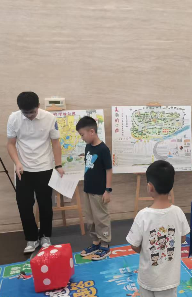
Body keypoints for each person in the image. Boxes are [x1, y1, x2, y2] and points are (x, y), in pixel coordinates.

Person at [127, 161, 190, 297]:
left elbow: (134, 245)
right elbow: (182, 238)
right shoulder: (178, 212)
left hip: (148, 279)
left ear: (150, 187)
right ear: (171, 186)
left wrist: (147, 247)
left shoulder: (143, 215)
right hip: (170, 278)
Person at [7, 92, 64, 254]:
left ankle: (45, 236)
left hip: (45, 167)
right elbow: (10, 144)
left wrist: (58, 165)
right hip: (23, 169)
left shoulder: (49, 118)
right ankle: (31, 238)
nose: (29, 115)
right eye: (25, 113)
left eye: (32, 112)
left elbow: (55, 143)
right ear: (20, 109)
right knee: (24, 205)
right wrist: (17, 163)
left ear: (38, 106)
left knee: (45, 204)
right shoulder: (14, 118)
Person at [76, 116, 113, 261]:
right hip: (88, 189)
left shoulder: (103, 149)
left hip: (99, 191)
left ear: (92, 131)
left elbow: (109, 170)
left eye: (82, 135)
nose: (82, 138)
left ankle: (105, 245)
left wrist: (107, 190)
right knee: (90, 219)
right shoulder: (88, 147)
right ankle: (96, 243)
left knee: (101, 218)